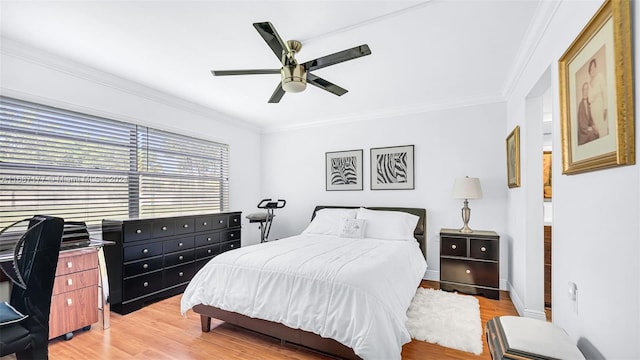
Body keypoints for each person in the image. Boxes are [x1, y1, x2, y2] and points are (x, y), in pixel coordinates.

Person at [588, 58, 608, 137]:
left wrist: (605, 108)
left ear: (596, 68)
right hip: (593, 112)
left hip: (600, 108)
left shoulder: (600, 76)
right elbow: (589, 100)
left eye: (593, 68)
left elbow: (605, 92)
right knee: (596, 134)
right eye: (590, 69)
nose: (592, 70)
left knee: (603, 131)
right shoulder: (589, 83)